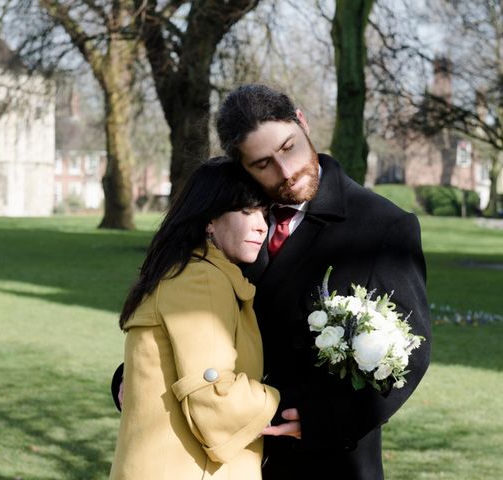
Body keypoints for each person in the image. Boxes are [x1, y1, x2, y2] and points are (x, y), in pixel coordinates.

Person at [215, 84, 432, 480]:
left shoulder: (384, 227)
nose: (286, 172)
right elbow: (188, 308)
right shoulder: (221, 222)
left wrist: (324, 421)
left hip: (328, 460)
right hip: (222, 454)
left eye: (288, 147)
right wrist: (140, 376)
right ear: (240, 167)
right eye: (262, 164)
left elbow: (411, 355)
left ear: (302, 121)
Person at [109, 158, 281, 480]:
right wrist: (279, 403)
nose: (261, 225)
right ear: (209, 220)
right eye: (246, 212)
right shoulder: (201, 279)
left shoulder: (191, 272)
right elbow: (215, 398)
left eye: (265, 213)